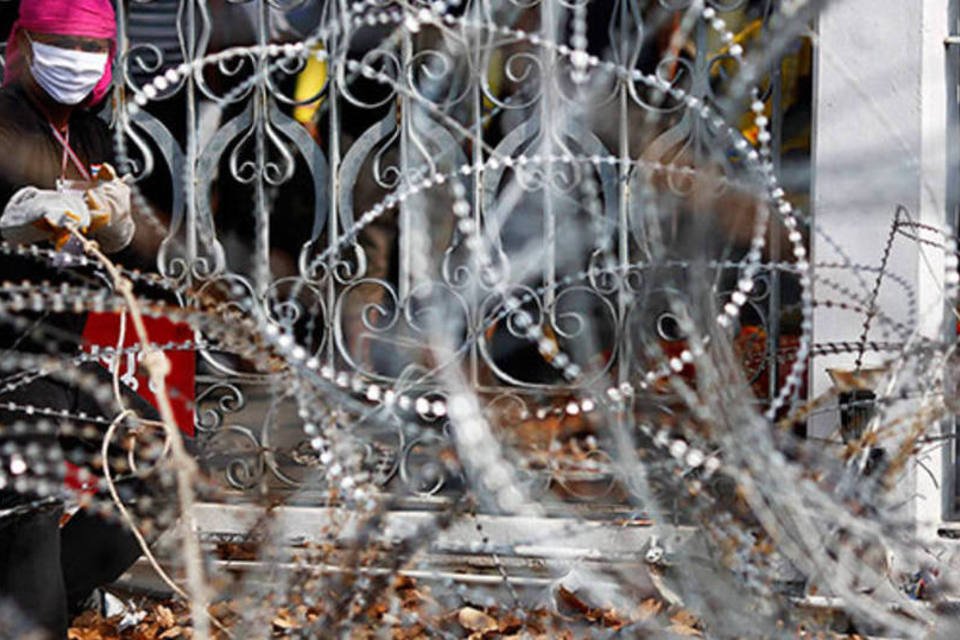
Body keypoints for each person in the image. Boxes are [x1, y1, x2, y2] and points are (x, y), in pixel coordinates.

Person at [0, 0, 155, 636]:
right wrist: (34, 213)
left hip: (65, 347)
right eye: (63, 44)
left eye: (93, 48)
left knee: (155, 465)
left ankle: (45, 602)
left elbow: (119, 232)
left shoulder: (88, 130)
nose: (79, 61)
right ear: (24, 41)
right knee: (30, 502)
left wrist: (111, 213)